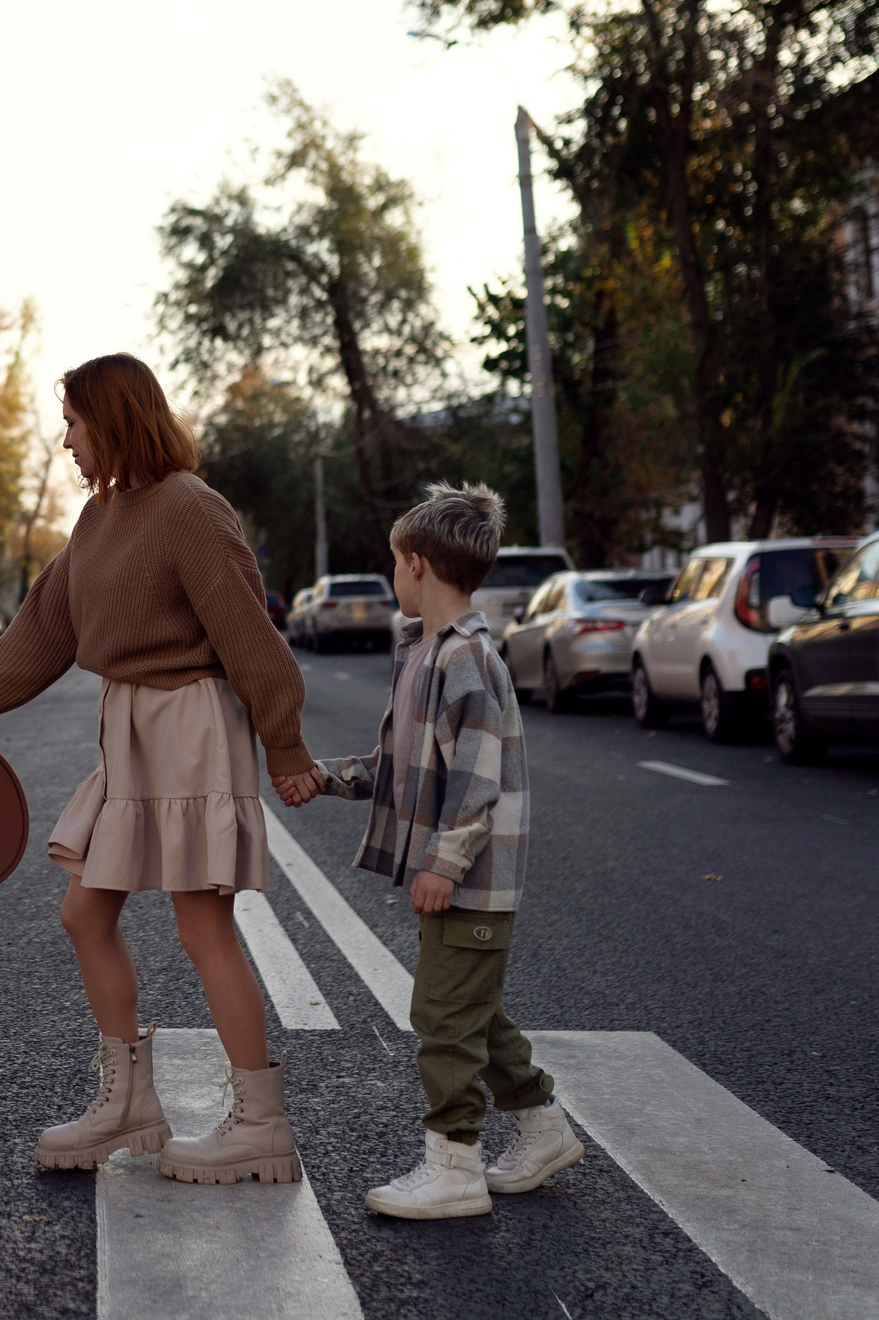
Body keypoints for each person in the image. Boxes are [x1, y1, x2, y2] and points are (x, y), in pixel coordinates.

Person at [0, 352, 313, 1183]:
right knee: (84, 914)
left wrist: (286, 745)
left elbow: (247, 632)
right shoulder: (100, 518)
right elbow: (44, 628)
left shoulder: (189, 508)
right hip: (128, 728)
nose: (66, 442)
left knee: (203, 926)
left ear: (115, 420)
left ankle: (260, 1123)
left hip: (191, 723)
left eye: (75, 423)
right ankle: (129, 1102)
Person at [274, 482, 584, 1218]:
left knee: (442, 1017)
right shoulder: (424, 652)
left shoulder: (466, 658)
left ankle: (454, 1164)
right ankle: (543, 1128)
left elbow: (477, 785)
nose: (391, 576)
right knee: (472, 1009)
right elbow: (399, 768)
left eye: (392, 562)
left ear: (416, 563)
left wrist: (444, 864)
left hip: (474, 878)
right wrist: (324, 778)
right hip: (462, 877)